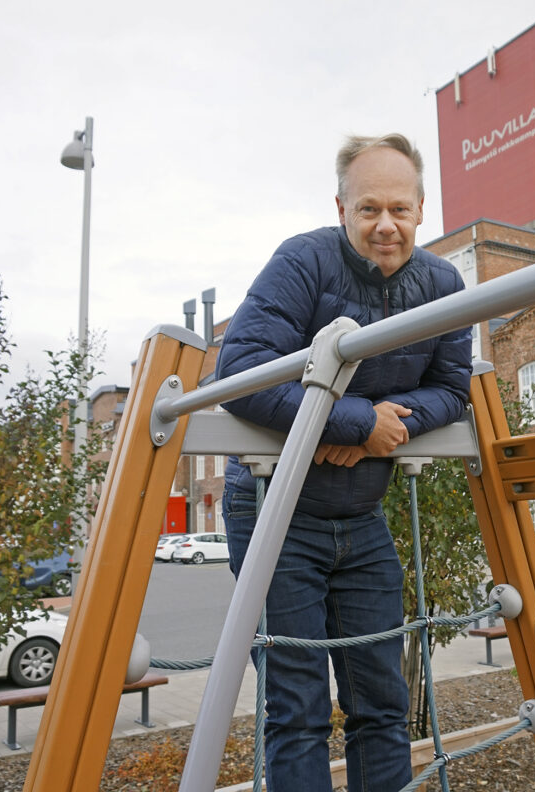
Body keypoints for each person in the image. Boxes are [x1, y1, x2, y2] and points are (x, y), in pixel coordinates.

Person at [215, 133, 473, 791]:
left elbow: (452, 388)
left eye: (399, 209)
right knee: (297, 704)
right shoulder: (302, 264)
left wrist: (378, 426)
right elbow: (241, 371)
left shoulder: (443, 285)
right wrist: (357, 423)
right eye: (368, 210)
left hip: (361, 512)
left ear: (421, 209)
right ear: (341, 209)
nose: (385, 225)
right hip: (276, 505)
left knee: (382, 698)